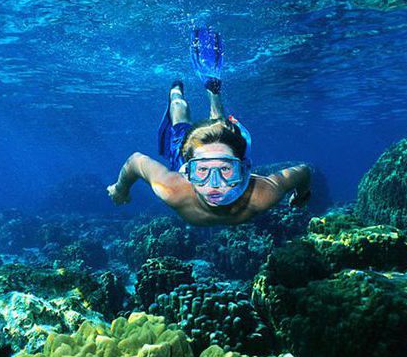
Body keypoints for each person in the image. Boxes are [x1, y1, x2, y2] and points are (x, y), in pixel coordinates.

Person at [106, 27, 312, 226]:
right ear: (187, 172)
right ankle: (178, 93)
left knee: (205, 127)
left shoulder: (262, 195)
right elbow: (134, 162)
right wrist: (120, 188)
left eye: (225, 169)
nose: (215, 184)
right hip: (190, 151)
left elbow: (303, 172)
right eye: (202, 170)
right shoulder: (174, 190)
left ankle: (212, 95)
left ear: (244, 168)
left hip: (208, 153)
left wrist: (121, 189)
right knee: (180, 119)